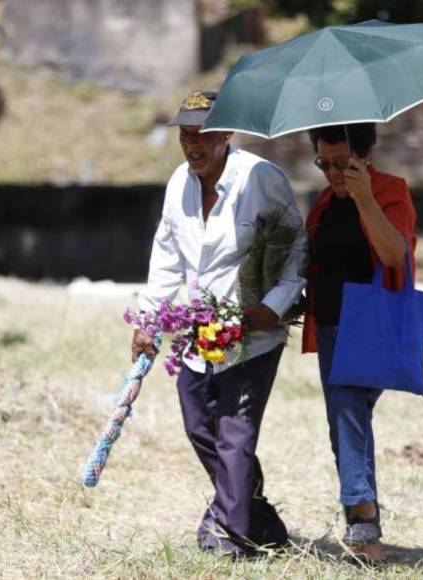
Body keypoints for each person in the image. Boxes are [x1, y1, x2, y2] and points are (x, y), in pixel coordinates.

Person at [131, 90, 307, 558]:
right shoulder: (177, 185)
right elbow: (167, 260)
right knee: (199, 425)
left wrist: (270, 309)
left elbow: (295, 249)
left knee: (234, 435)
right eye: (186, 135)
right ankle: (261, 522)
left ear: (226, 134)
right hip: (199, 336)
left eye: (203, 135)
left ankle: (230, 538)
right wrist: (148, 319)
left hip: (255, 335)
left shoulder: (260, 179)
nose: (193, 146)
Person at [302, 123, 417, 563]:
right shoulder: (325, 203)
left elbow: (394, 255)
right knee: (346, 426)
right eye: (324, 163)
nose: (332, 173)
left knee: (348, 410)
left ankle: (362, 522)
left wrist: (364, 196)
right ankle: (366, 529)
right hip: (330, 328)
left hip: (370, 326)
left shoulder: (391, 191)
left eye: (342, 163)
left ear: (366, 154)